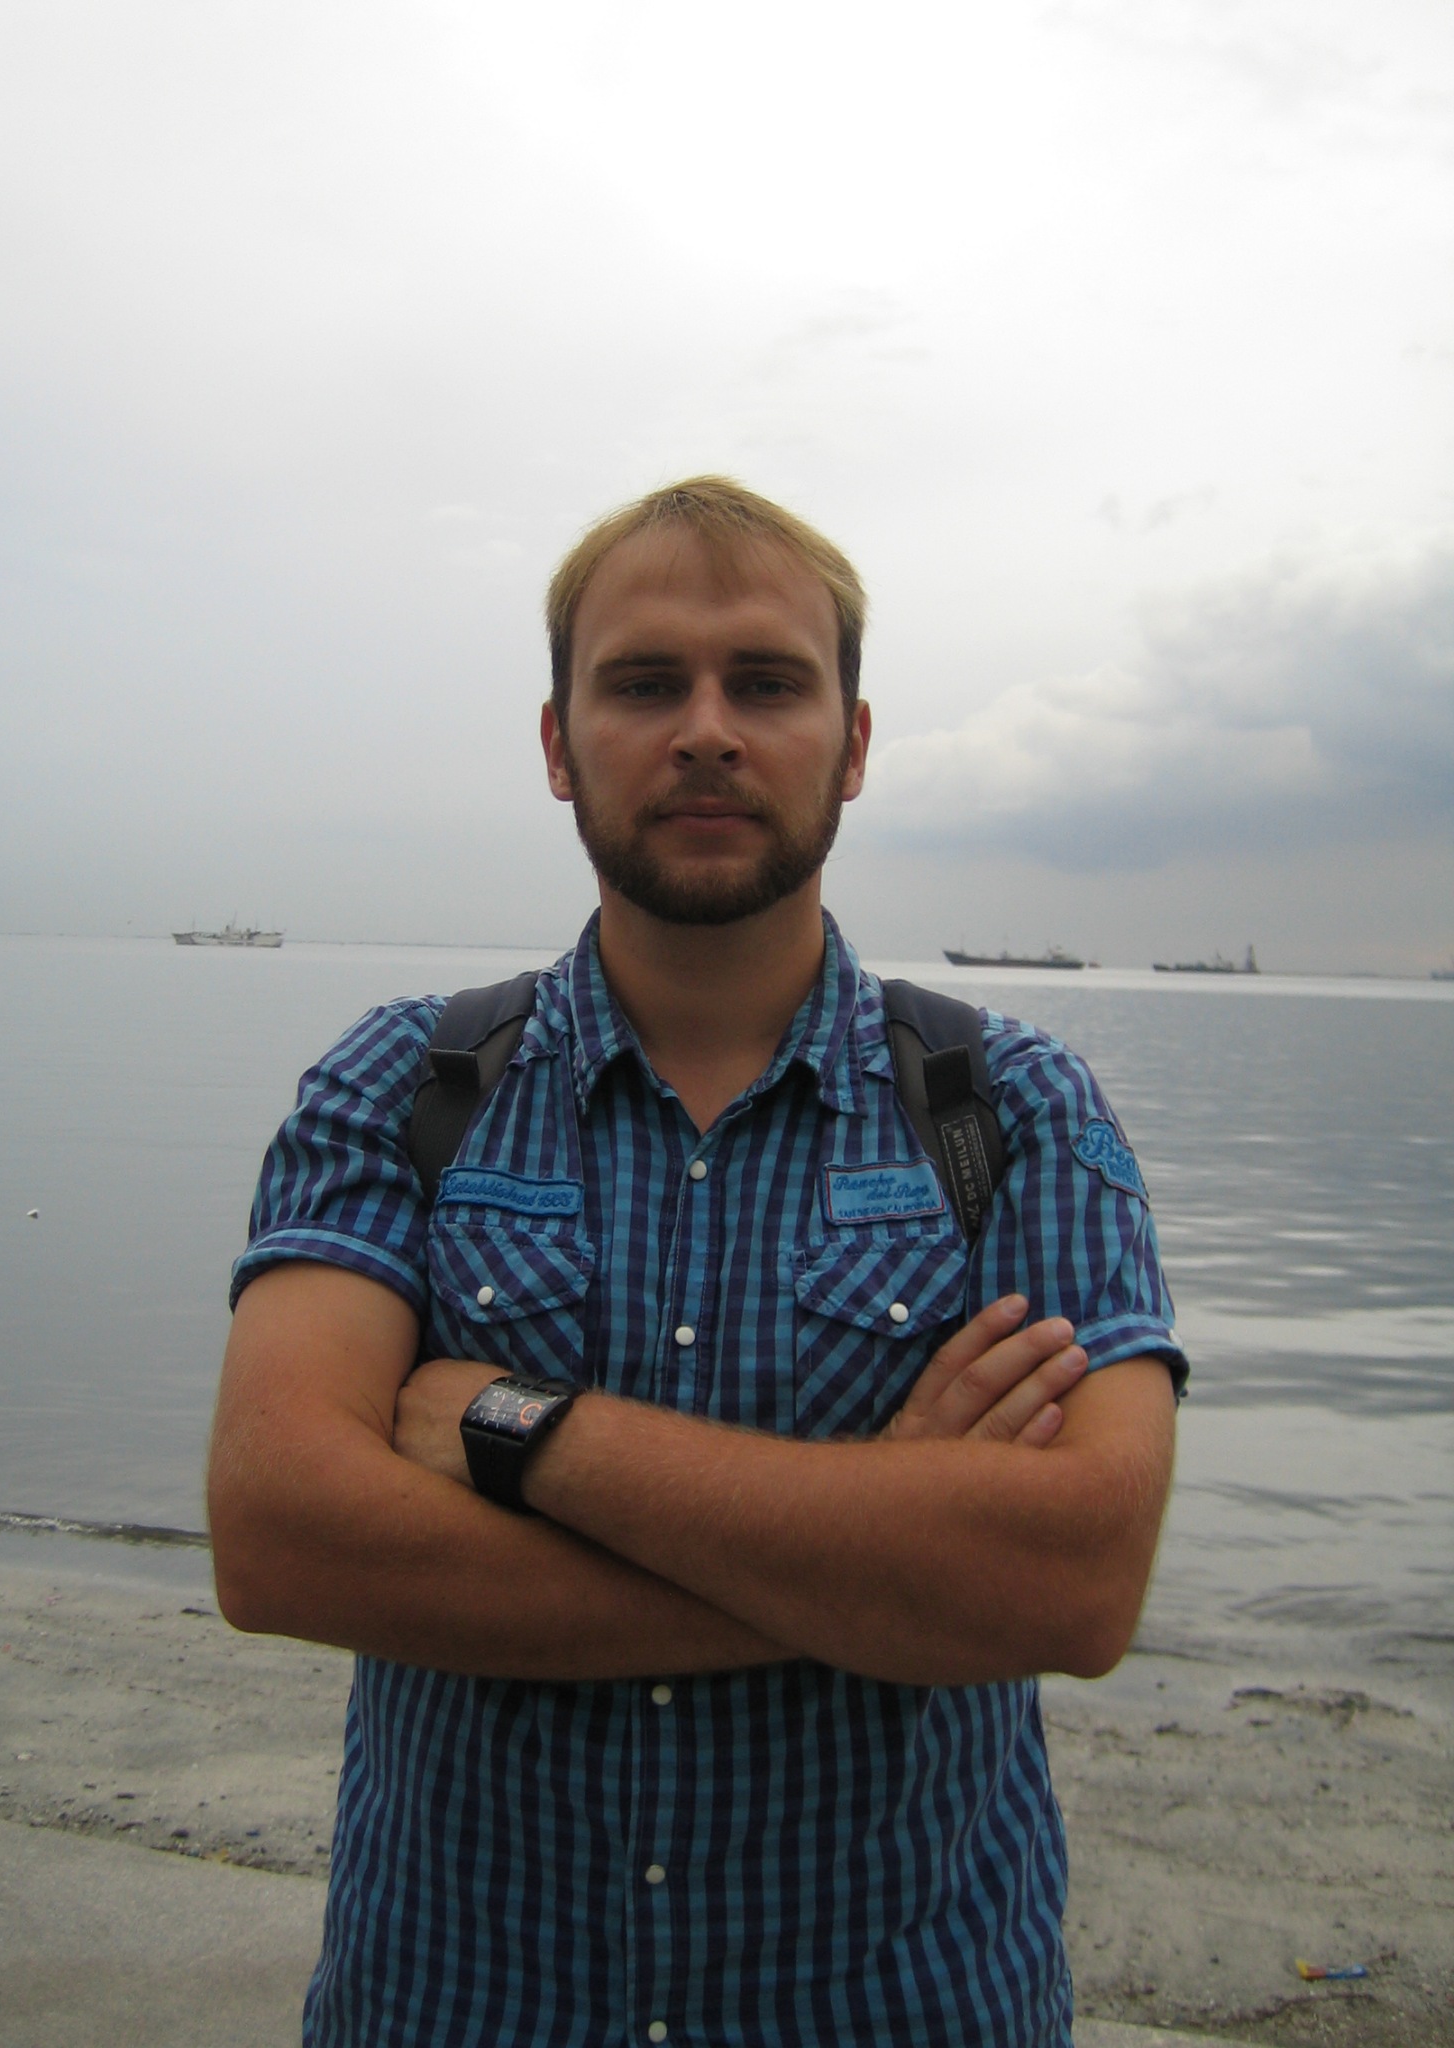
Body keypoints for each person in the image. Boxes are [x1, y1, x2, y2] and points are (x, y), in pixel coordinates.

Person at [208, 476, 1186, 2048]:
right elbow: (280, 1538)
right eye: (647, 683)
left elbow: (1071, 1584)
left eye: (770, 684)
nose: (709, 731)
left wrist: (526, 1432)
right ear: (559, 744)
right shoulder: (407, 1086)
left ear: (852, 746)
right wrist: (880, 1561)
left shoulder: (1009, 1108)